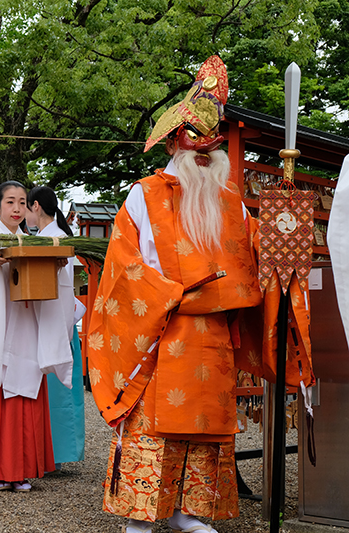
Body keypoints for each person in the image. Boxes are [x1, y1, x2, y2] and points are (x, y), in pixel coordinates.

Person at [89, 56, 312, 533]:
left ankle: (189, 511)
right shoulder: (143, 196)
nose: (205, 157)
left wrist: (284, 226)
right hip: (160, 334)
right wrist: (170, 294)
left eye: (212, 149)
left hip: (214, 342)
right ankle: (144, 512)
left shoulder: (236, 207)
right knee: (155, 427)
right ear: (174, 144)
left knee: (205, 431)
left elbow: (262, 271)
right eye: (196, 148)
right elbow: (124, 270)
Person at [0, 181, 76, 492]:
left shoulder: (34, 245)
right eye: (10, 202)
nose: (17, 208)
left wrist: (58, 267)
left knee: (25, 390)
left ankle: (21, 469)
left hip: (26, 327)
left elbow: (49, 289)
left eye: (22, 202)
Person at [25, 186, 87, 466]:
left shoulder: (52, 240)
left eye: (25, 205)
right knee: (60, 392)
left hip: (52, 323)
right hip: (61, 321)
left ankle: (52, 454)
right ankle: (56, 454)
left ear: (35, 206)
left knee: (54, 390)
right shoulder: (55, 237)